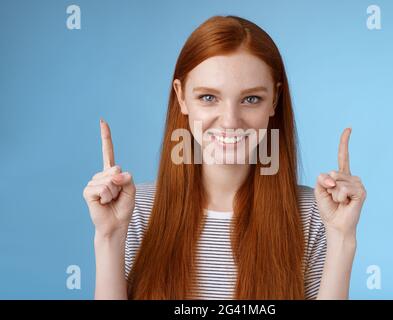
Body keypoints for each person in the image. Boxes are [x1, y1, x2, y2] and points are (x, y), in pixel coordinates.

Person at [82, 15, 367, 300]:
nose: (230, 121)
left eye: (251, 99)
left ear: (274, 100)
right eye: (208, 97)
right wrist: (109, 236)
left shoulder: (315, 213)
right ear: (181, 97)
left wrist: (342, 238)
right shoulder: (136, 210)